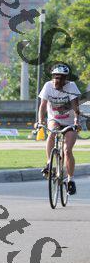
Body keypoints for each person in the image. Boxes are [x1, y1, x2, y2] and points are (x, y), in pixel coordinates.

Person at [36, 62, 81, 195]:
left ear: (65, 79)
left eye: (61, 78)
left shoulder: (71, 86)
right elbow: (42, 106)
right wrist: (40, 121)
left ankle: (70, 180)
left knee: (67, 150)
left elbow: (75, 106)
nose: (58, 80)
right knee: (52, 133)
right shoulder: (47, 86)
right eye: (56, 77)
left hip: (69, 122)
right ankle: (49, 164)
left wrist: (76, 121)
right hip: (54, 119)